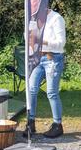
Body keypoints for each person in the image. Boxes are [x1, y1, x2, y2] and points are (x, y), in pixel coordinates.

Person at [24, 8, 66, 138]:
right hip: (37, 58)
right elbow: (27, 36)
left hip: (52, 58)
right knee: (31, 89)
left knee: (52, 92)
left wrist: (42, 41)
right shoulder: (34, 18)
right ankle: (31, 123)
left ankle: (57, 125)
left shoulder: (56, 18)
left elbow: (61, 43)